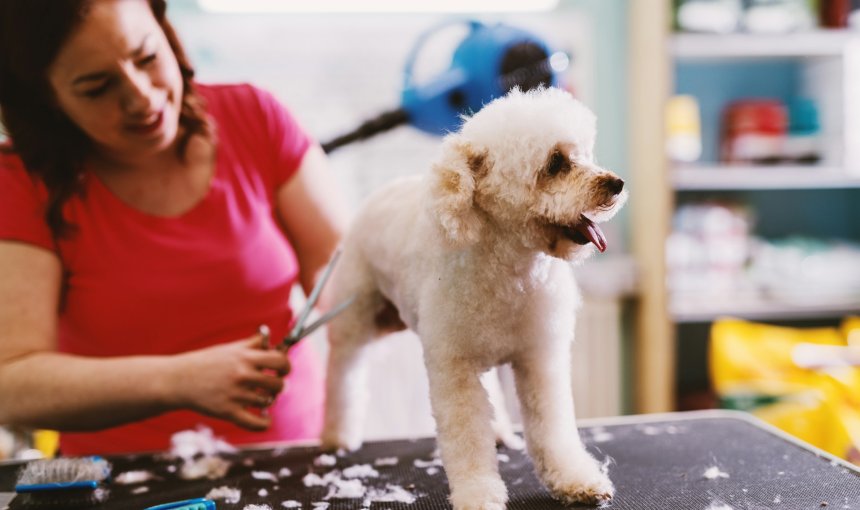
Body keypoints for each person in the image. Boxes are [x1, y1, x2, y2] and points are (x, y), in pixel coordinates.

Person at [0, 0, 348, 456]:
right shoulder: (22, 182)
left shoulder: (255, 115)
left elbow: (333, 266)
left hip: (297, 454)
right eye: (97, 87)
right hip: (124, 481)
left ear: (166, 29)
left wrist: (377, 299)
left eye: (147, 57)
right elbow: (11, 383)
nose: (141, 97)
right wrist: (179, 380)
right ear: (48, 97)